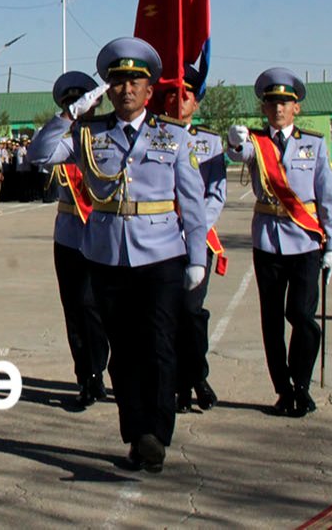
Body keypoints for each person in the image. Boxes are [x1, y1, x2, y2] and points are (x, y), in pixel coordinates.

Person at [29, 37, 209, 474]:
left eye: (134, 81)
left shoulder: (174, 136)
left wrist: (197, 257)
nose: (126, 89)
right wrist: (70, 114)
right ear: (107, 89)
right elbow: (39, 154)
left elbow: (193, 200)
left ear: (149, 90)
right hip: (107, 255)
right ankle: (136, 433)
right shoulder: (89, 134)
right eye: (117, 81)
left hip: (161, 254)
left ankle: (156, 435)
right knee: (124, 352)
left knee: (160, 346)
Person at [227, 68, 332, 418]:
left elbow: (328, 197)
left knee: (302, 315)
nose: (278, 108)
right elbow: (237, 154)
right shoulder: (256, 143)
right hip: (268, 241)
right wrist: (233, 140)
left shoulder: (315, 144)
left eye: (285, 103)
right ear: (264, 108)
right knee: (272, 320)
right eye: (272, 102)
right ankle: (284, 389)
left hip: (306, 241)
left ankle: (302, 384)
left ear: (297, 108)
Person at [38, 72, 109, 409]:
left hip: (106, 234)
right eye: (71, 103)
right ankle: (89, 376)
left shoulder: (108, 137)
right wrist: (67, 118)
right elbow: (38, 154)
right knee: (76, 309)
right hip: (69, 235)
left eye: (85, 102)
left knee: (98, 308)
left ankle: (105, 367)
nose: (82, 109)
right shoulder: (69, 140)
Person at [172, 65, 227, 413]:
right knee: (168, 314)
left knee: (192, 313)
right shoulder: (156, 136)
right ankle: (178, 385)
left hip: (197, 241)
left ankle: (197, 377)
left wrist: (192, 227)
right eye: (173, 95)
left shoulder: (210, 142)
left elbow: (216, 196)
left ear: (196, 102)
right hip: (161, 240)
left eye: (186, 95)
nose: (179, 101)